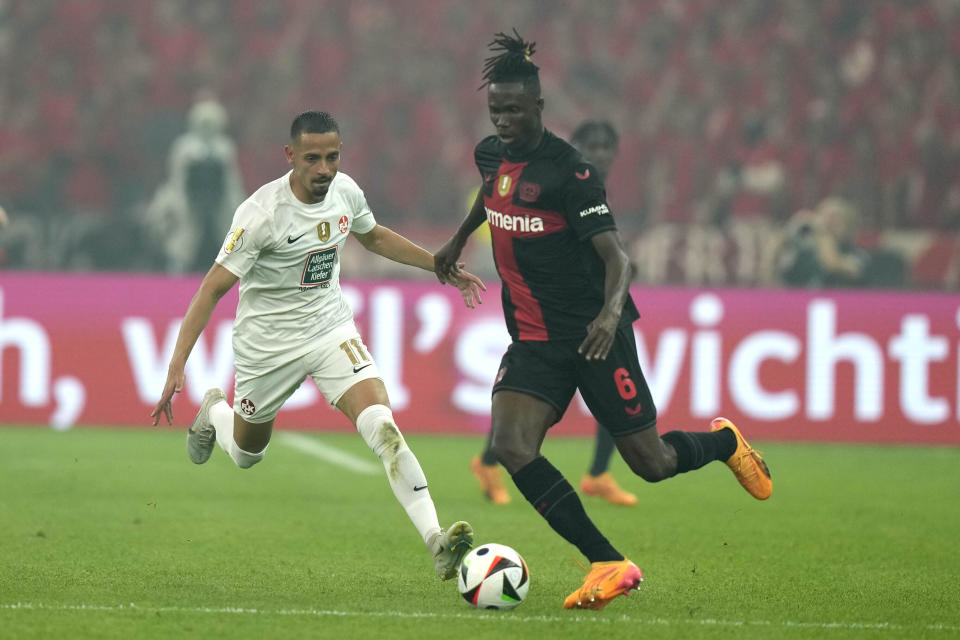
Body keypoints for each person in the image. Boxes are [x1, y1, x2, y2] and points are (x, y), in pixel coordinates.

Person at [436, 32, 771, 611]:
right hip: (535, 341)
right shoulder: (490, 155)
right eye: (496, 111)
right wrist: (459, 239)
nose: (505, 120)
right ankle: (607, 561)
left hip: (594, 336)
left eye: (515, 110)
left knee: (652, 463)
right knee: (512, 445)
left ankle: (724, 443)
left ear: (539, 108)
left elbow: (619, 258)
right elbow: (491, 196)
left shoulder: (572, 174)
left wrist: (611, 315)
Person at [151, 110, 484, 581]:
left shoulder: (345, 191)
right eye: (312, 158)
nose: (324, 169)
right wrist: (177, 364)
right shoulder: (261, 214)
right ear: (291, 156)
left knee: (383, 426)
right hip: (266, 347)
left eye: (332, 156)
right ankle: (215, 413)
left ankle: (436, 540)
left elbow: (374, 237)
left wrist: (438, 266)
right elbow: (211, 289)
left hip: (330, 330)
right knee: (247, 454)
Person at [470, 119, 639, 507]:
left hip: (593, 312)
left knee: (608, 392)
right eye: (590, 145)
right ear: (574, 147)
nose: (598, 154)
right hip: (552, 314)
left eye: (606, 147)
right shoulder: (557, 179)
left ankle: (597, 473)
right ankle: (490, 459)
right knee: (528, 399)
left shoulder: (589, 188)